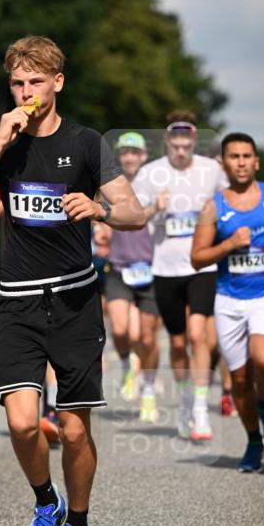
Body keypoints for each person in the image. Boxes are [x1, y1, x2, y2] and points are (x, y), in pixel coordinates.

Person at [0, 36, 145, 526]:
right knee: (22, 423)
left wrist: (100, 209)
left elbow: (135, 213)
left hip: (75, 299)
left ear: (57, 82)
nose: (26, 92)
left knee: (75, 429)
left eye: (36, 81)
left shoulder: (86, 143)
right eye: (17, 83)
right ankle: (46, 503)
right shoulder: (0, 142)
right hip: (17, 302)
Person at [191, 133, 264, 471]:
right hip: (230, 300)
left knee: (263, 359)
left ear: (256, 161)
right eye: (233, 156)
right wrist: (229, 244)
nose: (241, 162)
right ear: (223, 163)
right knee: (238, 380)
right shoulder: (213, 206)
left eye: (246, 156)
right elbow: (197, 258)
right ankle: (253, 440)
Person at [134, 112, 226, 442]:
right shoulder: (150, 173)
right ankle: (186, 402)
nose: (182, 149)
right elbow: (135, 216)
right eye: (176, 144)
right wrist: (155, 208)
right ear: (167, 141)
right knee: (177, 342)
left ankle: (200, 410)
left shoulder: (211, 170)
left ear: (194, 140)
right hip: (165, 268)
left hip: (201, 266)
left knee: (198, 335)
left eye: (187, 144)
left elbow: (232, 203)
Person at [0, 181, 61, 443]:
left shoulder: (66, 160)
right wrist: (16, 199)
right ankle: (41, 412)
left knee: (54, 346)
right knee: (33, 349)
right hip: (21, 276)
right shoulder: (9, 169)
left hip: (62, 268)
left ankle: (52, 410)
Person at [105, 133, 160, 422]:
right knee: (120, 329)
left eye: (134, 152)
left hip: (150, 269)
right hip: (119, 267)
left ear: (144, 156)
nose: (129, 157)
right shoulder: (109, 185)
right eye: (124, 152)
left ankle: (148, 391)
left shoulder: (154, 185)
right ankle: (127, 364)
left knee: (144, 338)